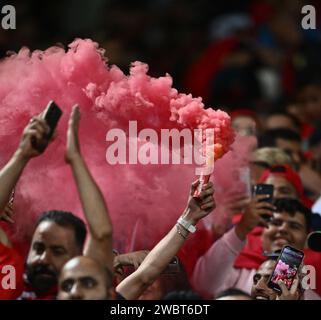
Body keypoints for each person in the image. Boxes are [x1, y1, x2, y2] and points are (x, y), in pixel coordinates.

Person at [0, 105, 113, 299]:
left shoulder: (82, 291)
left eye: (58, 251)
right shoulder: (12, 281)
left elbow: (101, 234)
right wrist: (22, 154)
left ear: (78, 258)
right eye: (38, 248)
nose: (44, 259)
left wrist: (75, 159)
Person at [192, 198, 320, 299]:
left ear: (306, 239)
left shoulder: (310, 298)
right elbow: (203, 286)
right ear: (262, 234)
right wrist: (241, 229)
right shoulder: (234, 275)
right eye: (276, 223)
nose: (283, 229)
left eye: (294, 226)